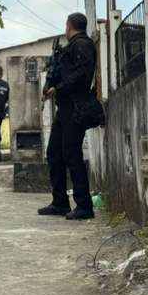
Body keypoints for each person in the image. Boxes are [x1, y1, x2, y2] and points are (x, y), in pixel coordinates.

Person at [38, 13, 97, 221]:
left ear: (69, 26)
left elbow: (82, 75)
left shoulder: (82, 45)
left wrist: (58, 87)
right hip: (64, 109)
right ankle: (60, 202)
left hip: (75, 107)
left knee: (72, 155)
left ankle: (84, 206)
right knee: (54, 153)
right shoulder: (70, 48)